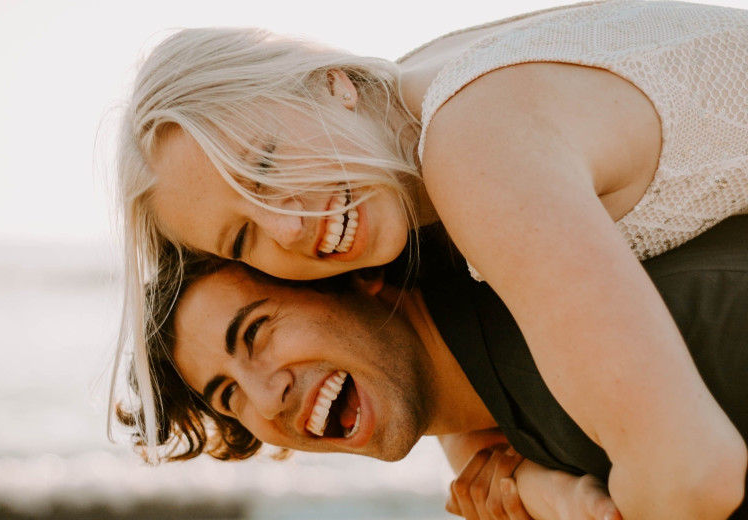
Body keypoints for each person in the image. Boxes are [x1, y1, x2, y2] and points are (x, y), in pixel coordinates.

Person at [112, 1, 748, 518]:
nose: (286, 226)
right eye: (243, 239)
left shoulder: (474, 144)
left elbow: (692, 478)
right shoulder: (408, 118)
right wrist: (520, 474)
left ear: (329, 82)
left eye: (266, 166)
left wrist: (550, 497)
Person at [116, 215, 748, 520]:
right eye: (229, 398)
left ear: (353, 274)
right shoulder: (520, 390)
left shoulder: (600, 367)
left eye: (258, 332)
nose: (267, 396)